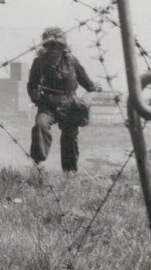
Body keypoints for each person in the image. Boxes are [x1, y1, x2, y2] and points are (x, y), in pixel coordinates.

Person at [27, 26, 101, 173]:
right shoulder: (39, 63)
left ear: (63, 46)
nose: (54, 49)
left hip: (69, 105)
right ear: (45, 47)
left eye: (58, 46)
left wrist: (89, 96)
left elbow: (87, 83)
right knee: (40, 125)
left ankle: (70, 173)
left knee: (70, 136)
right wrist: (34, 94)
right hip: (47, 106)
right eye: (50, 46)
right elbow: (31, 85)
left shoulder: (72, 61)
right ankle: (37, 164)